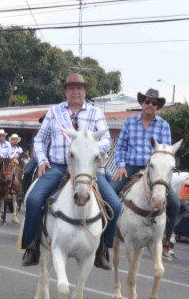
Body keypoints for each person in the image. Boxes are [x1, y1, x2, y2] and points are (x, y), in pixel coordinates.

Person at [20, 73, 121, 270]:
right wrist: (41, 160)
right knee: (33, 201)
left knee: (116, 206)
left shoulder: (95, 113)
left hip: (87, 170)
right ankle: (32, 246)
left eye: (79, 88)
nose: (76, 91)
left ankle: (102, 249)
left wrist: (92, 151)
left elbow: (107, 140)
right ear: (65, 91)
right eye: (71, 88)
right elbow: (40, 140)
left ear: (85, 91)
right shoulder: (54, 112)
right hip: (58, 166)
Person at [110, 88, 180, 257]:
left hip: (154, 172)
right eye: (147, 102)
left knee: (176, 204)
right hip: (131, 166)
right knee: (110, 194)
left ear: (157, 106)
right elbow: (120, 147)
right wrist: (121, 166)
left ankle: (164, 240)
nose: (150, 105)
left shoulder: (164, 125)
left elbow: (166, 152)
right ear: (141, 103)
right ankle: (106, 236)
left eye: (154, 103)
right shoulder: (129, 122)